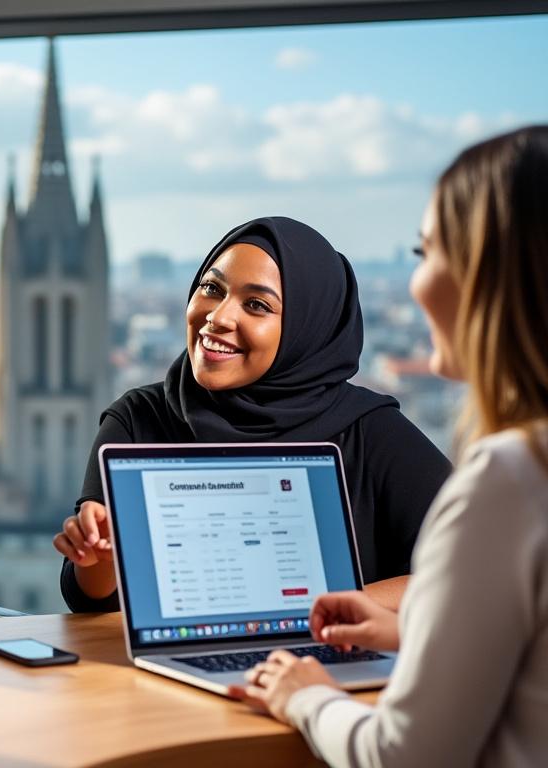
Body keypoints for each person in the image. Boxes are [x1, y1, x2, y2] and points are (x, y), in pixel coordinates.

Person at [238, 125, 548, 767]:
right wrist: (416, 632)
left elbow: (404, 756)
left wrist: (305, 695)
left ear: (486, 273)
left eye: (424, 251)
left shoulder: (514, 477)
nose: (415, 283)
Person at [55, 216, 450, 614]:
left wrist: (328, 610)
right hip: (162, 671)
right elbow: (86, 597)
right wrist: (102, 561)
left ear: (305, 329)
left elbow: (468, 567)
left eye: (257, 304)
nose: (219, 317)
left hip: (327, 667)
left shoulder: (371, 433)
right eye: (211, 288)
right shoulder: (139, 418)